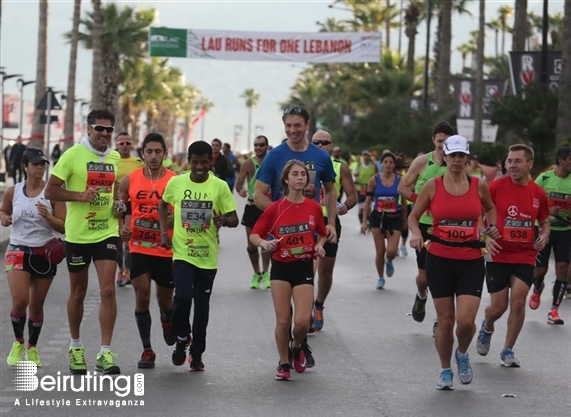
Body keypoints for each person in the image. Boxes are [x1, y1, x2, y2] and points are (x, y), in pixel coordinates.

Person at [408, 135, 498, 390]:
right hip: (439, 259)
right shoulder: (432, 186)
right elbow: (414, 217)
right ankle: (445, 369)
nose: (457, 160)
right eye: (452, 155)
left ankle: (462, 353)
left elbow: (490, 209)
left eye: (461, 155)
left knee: (467, 322)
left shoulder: (478, 185)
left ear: (467, 157)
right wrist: (416, 233)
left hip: (470, 259)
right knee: (445, 320)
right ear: (444, 156)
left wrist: (491, 227)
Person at [254, 106, 338, 368]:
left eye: (297, 125)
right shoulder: (275, 155)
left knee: (302, 305)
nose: (292, 130)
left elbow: (331, 189)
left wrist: (331, 222)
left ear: (307, 125)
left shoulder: (319, 156)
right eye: (288, 125)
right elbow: (258, 193)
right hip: (283, 238)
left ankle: (299, 341)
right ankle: (294, 348)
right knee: (284, 311)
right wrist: (279, 216)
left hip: (312, 233)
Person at [45, 108, 123, 375]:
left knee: (108, 291)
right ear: (88, 129)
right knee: (78, 293)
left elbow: (115, 190)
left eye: (108, 129)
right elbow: (50, 189)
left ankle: (105, 352)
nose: (104, 133)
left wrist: (119, 204)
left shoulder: (114, 157)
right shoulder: (72, 155)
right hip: (78, 234)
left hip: (107, 231)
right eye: (99, 128)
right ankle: (75, 346)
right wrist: (79, 196)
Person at [159, 141, 238, 371]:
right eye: (196, 162)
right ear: (189, 160)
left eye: (204, 162)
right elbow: (162, 206)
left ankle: (197, 352)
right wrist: (164, 232)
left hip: (207, 256)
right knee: (183, 296)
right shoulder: (177, 183)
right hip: (183, 253)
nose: (200, 166)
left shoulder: (219, 186)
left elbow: (234, 218)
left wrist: (224, 220)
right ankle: (182, 337)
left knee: (202, 307)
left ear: (210, 161)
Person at [250, 160, 328, 380]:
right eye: (295, 174)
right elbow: (255, 234)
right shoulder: (275, 208)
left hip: (303, 266)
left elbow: (322, 232)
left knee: (303, 322)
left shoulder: (314, 207)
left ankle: (296, 346)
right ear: (286, 179)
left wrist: (320, 246)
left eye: (303, 174)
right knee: (283, 321)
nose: (301, 178)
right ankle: (283, 363)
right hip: (281, 268)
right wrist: (264, 244)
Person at [476, 144, 549, 368]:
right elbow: (477, 214)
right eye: (509, 161)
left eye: (517, 161)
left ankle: (507, 350)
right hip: (498, 253)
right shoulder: (495, 187)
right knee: (498, 308)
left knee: (518, 302)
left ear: (530, 164)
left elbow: (544, 222)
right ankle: (487, 326)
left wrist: (545, 235)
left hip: (525, 255)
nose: (512, 165)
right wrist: (486, 236)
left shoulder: (538, 193)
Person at [1, 148, 66, 367]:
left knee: (36, 306)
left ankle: (32, 348)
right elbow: (3, 210)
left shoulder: (53, 193)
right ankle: (19, 342)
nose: (40, 168)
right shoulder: (13, 191)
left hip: (43, 251)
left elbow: (64, 226)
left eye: (43, 164)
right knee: (20, 301)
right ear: (25, 166)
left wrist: (48, 216)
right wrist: (5, 218)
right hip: (18, 249)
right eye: (36, 164)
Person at [118, 133, 177, 369]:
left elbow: (184, 212)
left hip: (165, 249)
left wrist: (174, 220)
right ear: (142, 154)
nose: (153, 156)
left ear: (165, 153)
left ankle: (167, 319)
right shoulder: (129, 181)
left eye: (158, 152)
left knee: (166, 303)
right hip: (139, 248)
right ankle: (147, 349)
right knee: (141, 296)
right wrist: (122, 227)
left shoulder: (175, 181)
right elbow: (120, 209)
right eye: (149, 152)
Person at [398, 121, 454, 329]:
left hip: (447, 227)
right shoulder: (422, 162)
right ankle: (421, 295)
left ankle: (440, 319)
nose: (442, 145)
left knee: (443, 274)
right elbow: (402, 187)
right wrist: (419, 201)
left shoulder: (456, 163)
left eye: (447, 142)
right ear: (433, 140)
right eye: (440, 141)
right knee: (424, 277)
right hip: (423, 225)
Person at [311, 130, 356, 330]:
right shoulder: (302, 165)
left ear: (331, 146)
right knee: (307, 269)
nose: (320, 146)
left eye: (324, 143)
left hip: (329, 221)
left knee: (325, 271)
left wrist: (346, 206)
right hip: (307, 220)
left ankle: (318, 305)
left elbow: (353, 196)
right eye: (316, 142)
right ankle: (305, 311)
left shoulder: (340, 168)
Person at [529, 146, 571, 324]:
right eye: (570, 159)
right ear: (561, 160)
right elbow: (530, 200)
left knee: (562, 269)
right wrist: (547, 208)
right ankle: (537, 288)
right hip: (543, 230)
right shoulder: (545, 178)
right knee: (540, 269)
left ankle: (554, 310)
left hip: (565, 231)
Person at [361, 151, 407, 289]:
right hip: (378, 218)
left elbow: (404, 203)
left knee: (392, 251)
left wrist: (405, 220)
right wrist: (364, 221)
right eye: (385, 162)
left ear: (394, 165)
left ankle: (389, 260)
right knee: (380, 250)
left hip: (395, 218)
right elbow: (367, 202)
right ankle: (381, 278)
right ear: (382, 164)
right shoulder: (374, 180)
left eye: (391, 162)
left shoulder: (400, 180)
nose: (388, 165)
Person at [235, 135, 272, 289]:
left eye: (261, 145)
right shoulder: (248, 164)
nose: (258, 147)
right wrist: (242, 191)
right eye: (256, 145)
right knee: (251, 244)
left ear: (266, 146)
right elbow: (238, 185)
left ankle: (266, 273)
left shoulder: (272, 161)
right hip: (251, 206)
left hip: (266, 207)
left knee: (265, 243)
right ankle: (256, 273)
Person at [115, 132, 144, 286]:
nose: (125, 146)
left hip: (133, 205)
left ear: (131, 145)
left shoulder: (138, 162)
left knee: (129, 237)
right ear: (117, 145)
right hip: (116, 203)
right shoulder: (111, 160)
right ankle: (121, 270)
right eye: (122, 143)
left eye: (127, 143)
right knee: (118, 240)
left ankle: (128, 271)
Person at [353, 150, 378, 226]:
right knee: (361, 208)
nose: (366, 157)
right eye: (365, 155)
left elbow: (377, 176)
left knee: (370, 207)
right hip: (361, 188)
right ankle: (362, 223)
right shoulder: (359, 165)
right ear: (362, 157)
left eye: (368, 156)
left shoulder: (374, 166)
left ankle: (369, 223)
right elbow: (354, 175)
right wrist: (355, 181)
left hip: (370, 188)